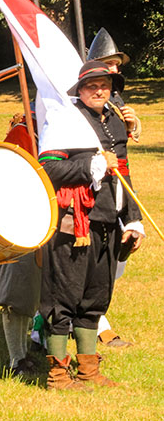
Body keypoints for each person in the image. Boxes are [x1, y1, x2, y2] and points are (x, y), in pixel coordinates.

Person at [39, 61, 143, 390]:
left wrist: (133, 219)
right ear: (80, 90)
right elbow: (49, 169)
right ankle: (57, 374)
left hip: (109, 220)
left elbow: (123, 174)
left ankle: (88, 369)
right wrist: (93, 164)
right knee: (63, 298)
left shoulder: (114, 119)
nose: (99, 90)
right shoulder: (65, 120)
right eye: (91, 85)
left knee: (96, 297)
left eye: (105, 84)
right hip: (73, 223)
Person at [85, 28, 142, 348]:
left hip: (121, 182)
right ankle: (95, 321)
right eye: (109, 63)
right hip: (94, 186)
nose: (115, 69)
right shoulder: (85, 100)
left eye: (117, 65)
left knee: (119, 254)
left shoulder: (115, 97)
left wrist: (133, 125)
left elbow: (124, 141)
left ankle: (98, 313)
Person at [0, 114, 40, 376]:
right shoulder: (23, 132)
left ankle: (24, 353)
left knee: (31, 295)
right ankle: (15, 359)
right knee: (15, 295)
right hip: (18, 222)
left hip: (42, 221)